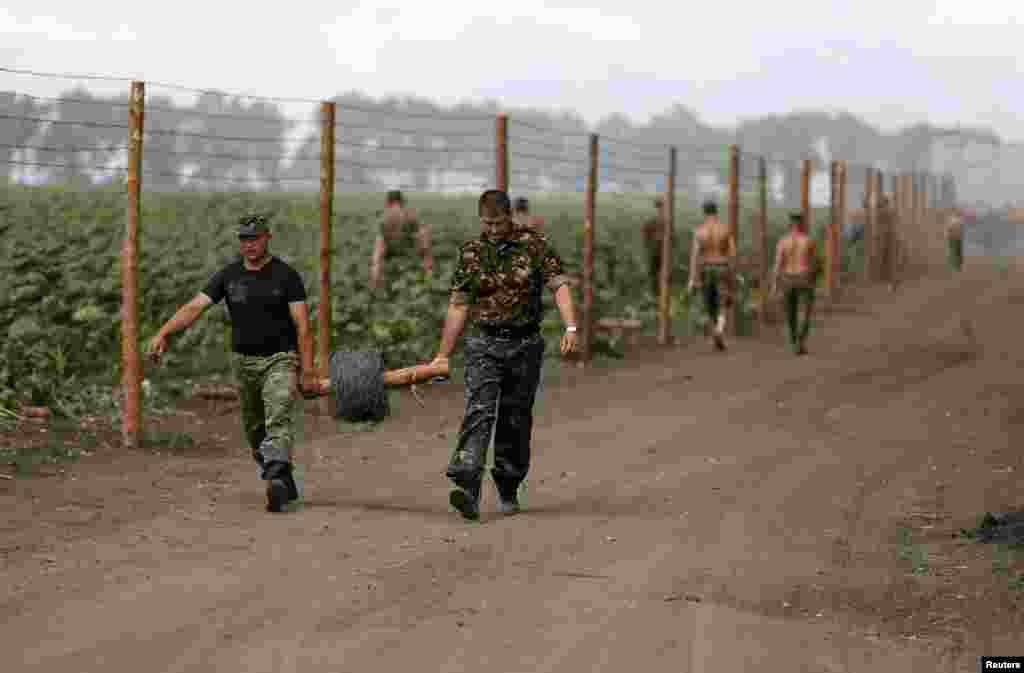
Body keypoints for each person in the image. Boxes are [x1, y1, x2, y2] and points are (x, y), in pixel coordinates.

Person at [147, 213, 316, 513]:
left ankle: (275, 477)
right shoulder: (229, 276)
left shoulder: (286, 276)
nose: (249, 245)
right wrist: (164, 333)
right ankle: (282, 479)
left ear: (267, 238)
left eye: (255, 238)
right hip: (244, 363)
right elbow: (194, 307)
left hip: (281, 359)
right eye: (244, 239)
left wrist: (308, 369)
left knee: (277, 415)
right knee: (255, 431)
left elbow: (302, 325)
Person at [429, 189, 578, 521]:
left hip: (524, 345)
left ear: (509, 216)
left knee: (515, 416)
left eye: (497, 223)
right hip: (484, 343)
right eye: (486, 223)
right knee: (478, 411)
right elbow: (458, 305)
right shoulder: (471, 252)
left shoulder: (534, 245)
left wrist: (571, 328)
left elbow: (559, 286)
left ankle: (508, 485)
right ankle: (467, 486)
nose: (492, 229)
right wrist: (442, 354)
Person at [687, 200, 736, 351]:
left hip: (706, 268)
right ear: (716, 212)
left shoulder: (699, 231)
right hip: (722, 267)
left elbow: (695, 256)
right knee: (723, 304)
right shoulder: (725, 230)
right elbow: (733, 254)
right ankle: (719, 331)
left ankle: (715, 331)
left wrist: (692, 279)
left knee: (709, 305)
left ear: (704, 213)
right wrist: (732, 275)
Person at [770, 212, 819, 355]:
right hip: (804, 277)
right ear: (801, 225)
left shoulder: (782, 241)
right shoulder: (808, 241)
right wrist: (813, 279)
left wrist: (774, 285)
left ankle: (793, 341)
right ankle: (800, 341)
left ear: (790, 225)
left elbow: (777, 264)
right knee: (805, 312)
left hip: (787, 278)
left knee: (790, 312)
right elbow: (814, 263)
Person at [369, 190, 434, 290]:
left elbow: (378, 253)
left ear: (388, 202)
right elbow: (424, 242)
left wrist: (375, 278)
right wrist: (428, 270)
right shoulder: (411, 216)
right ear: (401, 201)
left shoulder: (384, 219)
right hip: (410, 262)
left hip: (391, 263)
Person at [642, 196, 672, 300]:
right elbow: (645, 237)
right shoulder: (659, 222)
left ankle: (658, 296)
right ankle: (658, 295)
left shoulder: (662, 222)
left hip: (659, 252)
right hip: (658, 252)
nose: (660, 209)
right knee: (656, 275)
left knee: (657, 275)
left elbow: (645, 237)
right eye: (659, 206)